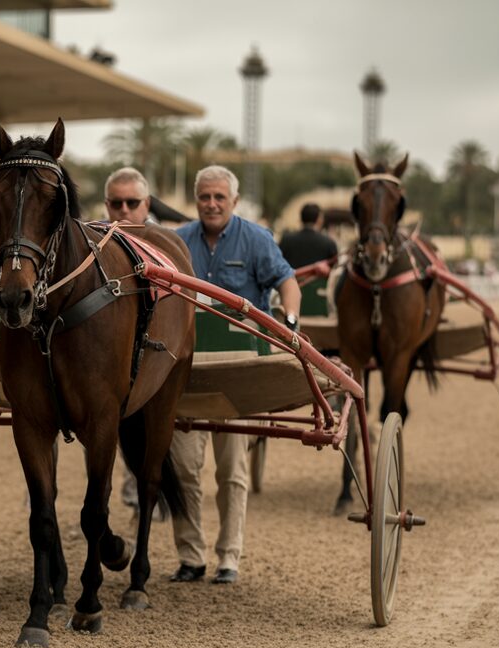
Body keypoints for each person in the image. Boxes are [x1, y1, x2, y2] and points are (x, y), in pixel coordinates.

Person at [169, 165, 301, 585]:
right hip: (186, 373)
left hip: (238, 373)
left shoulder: (257, 239)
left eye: (219, 198)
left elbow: (287, 281)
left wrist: (292, 320)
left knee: (231, 472)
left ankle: (229, 557)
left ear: (234, 202)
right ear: (196, 200)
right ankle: (191, 556)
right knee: (184, 468)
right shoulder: (178, 241)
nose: (211, 204)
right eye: (205, 197)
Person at [102, 167, 169, 524]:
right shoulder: (93, 240)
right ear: (107, 204)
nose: (124, 211)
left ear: (146, 204)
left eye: (132, 203)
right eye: (116, 203)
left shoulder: (168, 243)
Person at [279, 203, 338, 270]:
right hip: (320, 280)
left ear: (301, 218)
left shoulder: (286, 240)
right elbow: (334, 269)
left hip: (291, 279)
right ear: (319, 220)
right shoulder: (328, 243)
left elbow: (278, 264)